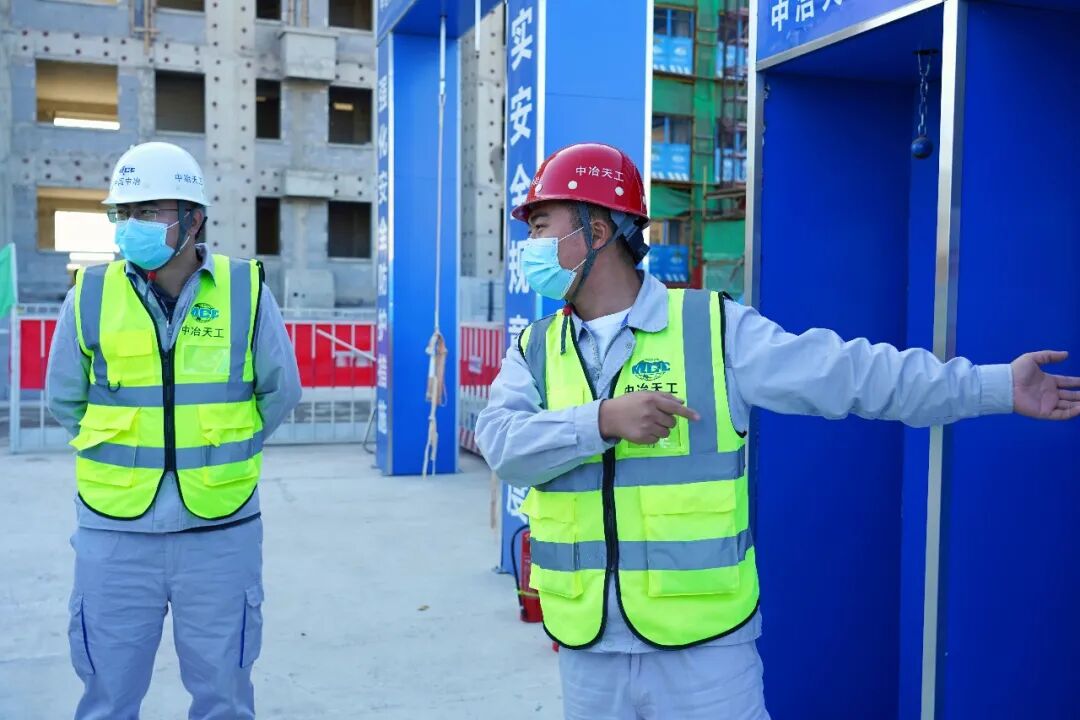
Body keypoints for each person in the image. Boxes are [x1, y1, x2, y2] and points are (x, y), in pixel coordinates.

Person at [475, 142, 1080, 720]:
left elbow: (850, 375)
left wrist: (994, 386)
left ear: (598, 231)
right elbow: (502, 445)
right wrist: (602, 420)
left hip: (704, 652)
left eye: (541, 226)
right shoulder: (536, 349)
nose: (530, 246)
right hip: (587, 649)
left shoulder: (711, 329)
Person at [46, 141, 301, 720]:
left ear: (194, 218)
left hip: (220, 530)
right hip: (114, 532)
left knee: (224, 700)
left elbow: (280, 392)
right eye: (125, 213)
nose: (132, 225)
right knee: (108, 700)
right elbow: (64, 398)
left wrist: (222, 447)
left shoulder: (246, 291)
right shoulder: (89, 295)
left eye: (149, 210)